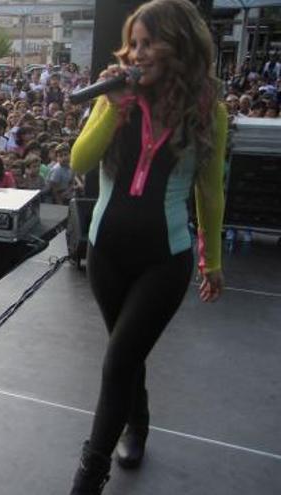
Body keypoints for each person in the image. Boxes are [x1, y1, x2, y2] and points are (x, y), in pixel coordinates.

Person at [67, 1, 227, 493]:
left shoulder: (208, 112)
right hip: (106, 253)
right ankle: (138, 421)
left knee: (117, 361)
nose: (136, 54)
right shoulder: (114, 98)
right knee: (125, 352)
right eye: (132, 44)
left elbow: (210, 190)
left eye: (147, 43)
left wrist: (212, 260)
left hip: (165, 258)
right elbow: (80, 159)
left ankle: (89, 477)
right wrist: (112, 110)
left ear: (179, 45)